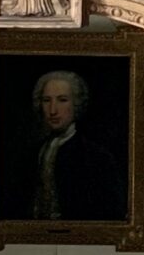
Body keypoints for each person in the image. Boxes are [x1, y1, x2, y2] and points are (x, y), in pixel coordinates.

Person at [22, 68, 126, 222]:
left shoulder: (96, 157)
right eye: (46, 100)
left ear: (76, 104)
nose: (53, 110)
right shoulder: (35, 152)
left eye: (62, 100)